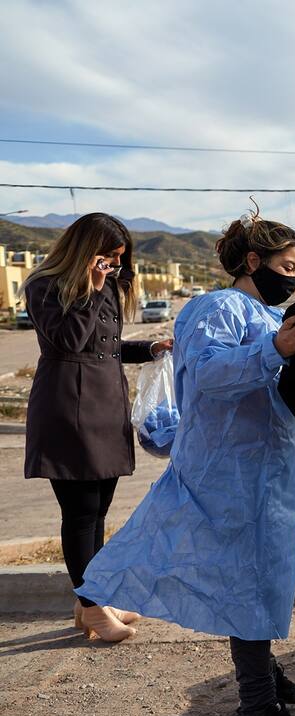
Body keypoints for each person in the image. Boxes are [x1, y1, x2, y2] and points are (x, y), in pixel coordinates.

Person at [79, 211, 295, 716]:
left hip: (268, 474)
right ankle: (257, 713)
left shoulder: (265, 313)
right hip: (229, 474)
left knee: (266, 578)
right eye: (287, 267)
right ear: (253, 261)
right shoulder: (216, 308)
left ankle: (268, 677)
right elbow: (212, 375)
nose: (293, 279)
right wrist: (274, 350)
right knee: (247, 582)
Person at [21, 213, 171, 642]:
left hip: (105, 406)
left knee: (98, 512)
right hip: (68, 407)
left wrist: (149, 348)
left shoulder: (105, 287)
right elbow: (69, 340)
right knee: (81, 512)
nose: (114, 266)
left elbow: (105, 347)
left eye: (119, 259)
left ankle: (93, 600)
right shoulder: (44, 286)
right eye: (108, 256)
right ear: (85, 251)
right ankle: (92, 607)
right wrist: (91, 286)